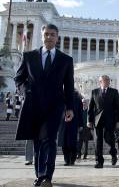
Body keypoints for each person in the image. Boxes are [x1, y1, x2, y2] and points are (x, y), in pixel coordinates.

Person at [14, 23, 74, 187]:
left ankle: (46, 176)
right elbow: (19, 79)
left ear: (57, 37)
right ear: (42, 36)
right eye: (46, 34)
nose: (49, 37)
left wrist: (70, 107)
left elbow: (69, 86)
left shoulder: (66, 60)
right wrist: (25, 91)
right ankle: (39, 175)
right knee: (38, 142)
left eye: (52, 34)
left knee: (49, 139)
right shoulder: (29, 56)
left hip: (55, 106)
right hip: (33, 105)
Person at [87, 75, 119, 168]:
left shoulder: (114, 92)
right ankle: (99, 161)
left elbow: (118, 108)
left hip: (110, 120)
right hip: (97, 120)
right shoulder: (94, 92)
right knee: (97, 141)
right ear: (100, 82)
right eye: (105, 80)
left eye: (108, 80)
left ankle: (113, 153)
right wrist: (89, 120)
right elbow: (90, 108)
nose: (107, 81)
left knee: (109, 138)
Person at [58, 90, 83, 166]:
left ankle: (72, 159)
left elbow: (80, 112)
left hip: (73, 123)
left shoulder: (77, 99)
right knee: (64, 142)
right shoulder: (60, 97)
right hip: (63, 123)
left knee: (72, 142)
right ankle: (66, 159)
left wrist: (80, 124)